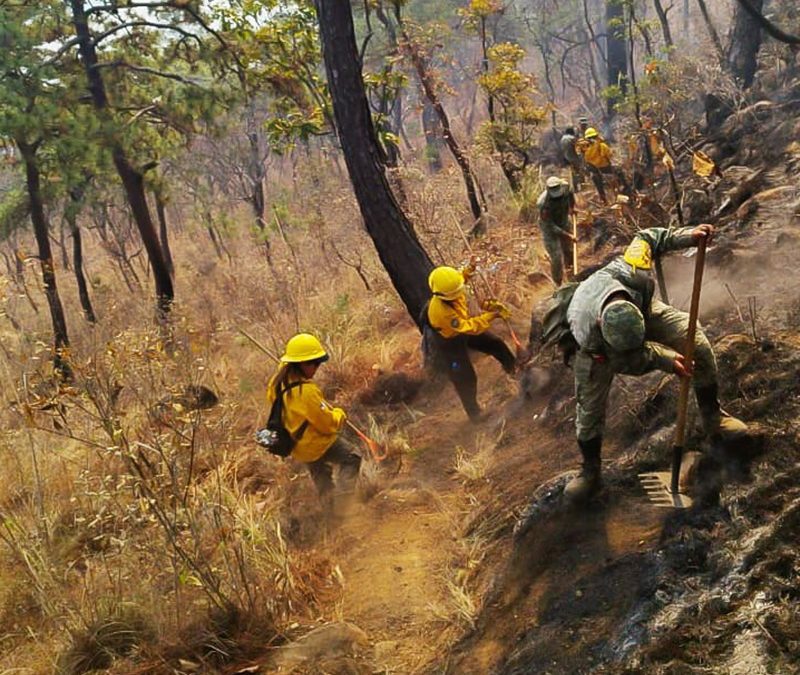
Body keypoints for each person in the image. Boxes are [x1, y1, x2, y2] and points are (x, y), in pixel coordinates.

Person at [563, 224, 748, 503]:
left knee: (694, 341)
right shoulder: (584, 328)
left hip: (644, 311)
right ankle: (590, 472)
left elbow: (649, 237)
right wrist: (666, 359)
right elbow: (630, 361)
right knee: (589, 412)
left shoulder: (631, 269)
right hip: (599, 353)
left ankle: (713, 417)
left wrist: (688, 236)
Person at [266, 333, 361, 500]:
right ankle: (344, 504)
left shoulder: (277, 383)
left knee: (322, 478)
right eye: (314, 363)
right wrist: (339, 414)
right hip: (316, 444)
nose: (317, 367)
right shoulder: (307, 393)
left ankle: (330, 514)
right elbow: (327, 424)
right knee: (353, 457)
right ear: (301, 364)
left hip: (298, 446)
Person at [422, 265, 516, 421]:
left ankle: (514, 369)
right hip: (449, 340)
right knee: (465, 377)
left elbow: (460, 280)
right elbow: (469, 328)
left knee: (495, 343)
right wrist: (491, 316)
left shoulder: (451, 286)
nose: (459, 294)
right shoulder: (441, 313)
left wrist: (469, 271)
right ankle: (474, 413)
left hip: (463, 328)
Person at [537, 176, 578, 286]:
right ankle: (558, 283)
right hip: (550, 229)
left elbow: (571, 194)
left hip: (563, 221)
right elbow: (550, 226)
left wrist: (572, 207)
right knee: (556, 257)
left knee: (569, 250)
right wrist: (568, 235)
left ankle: (572, 275)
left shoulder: (566, 187)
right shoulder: (543, 204)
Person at [580, 127, 632, 204]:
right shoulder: (602, 145)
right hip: (605, 168)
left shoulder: (585, 149)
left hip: (594, 170)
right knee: (619, 171)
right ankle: (626, 188)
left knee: (598, 184)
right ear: (596, 136)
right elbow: (609, 155)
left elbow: (585, 160)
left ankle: (603, 199)